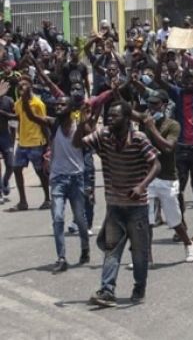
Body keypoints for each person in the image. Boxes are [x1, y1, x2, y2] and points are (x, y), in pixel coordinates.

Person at [83, 101, 160, 307]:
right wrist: (84, 121)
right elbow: (79, 144)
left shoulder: (139, 138)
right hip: (114, 205)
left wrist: (141, 187)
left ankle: (139, 286)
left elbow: (156, 164)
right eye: (109, 115)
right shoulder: (104, 135)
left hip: (137, 207)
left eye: (115, 116)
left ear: (127, 119)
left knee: (139, 251)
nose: (110, 119)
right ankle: (107, 290)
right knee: (111, 249)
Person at [23, 95, 91, 273]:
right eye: (57, 104)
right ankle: (61, 257)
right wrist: (24, 97)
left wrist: (85, 120)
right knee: (58, 218)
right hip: (58, 179)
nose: (58, 106)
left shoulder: (79, 124)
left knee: (81, 219)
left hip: (76, 178)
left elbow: (90, 137)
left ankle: (85, 248)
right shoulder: (53, 124)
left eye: (62, 104)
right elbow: (31, 116)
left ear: (71, 107)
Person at [155, 53, 193, 243]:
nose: (188, 82)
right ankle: (180, 224)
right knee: (177, 189)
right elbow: (158, 79)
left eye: (192, 79)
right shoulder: (177, 93)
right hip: (180, 149)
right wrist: (160, 58)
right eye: (185, 79)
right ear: (181, 81)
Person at [135, 90, 193, 263]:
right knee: (146, 221)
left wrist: (152, 128)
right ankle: (146, 256)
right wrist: (116, 93)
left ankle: (188, 243)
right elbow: (129, 112)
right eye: (150, 104)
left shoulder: (172, 125)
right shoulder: (145, 120)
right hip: (148, 178)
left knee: (174, 220)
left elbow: (168, 147)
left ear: (163, 105)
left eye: (156, 104)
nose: (152, 108)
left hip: (167, 178)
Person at [9, 76, 50, 211]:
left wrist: (48, 145)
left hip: (36, 142)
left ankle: (48, 199)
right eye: (19, 87)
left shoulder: (38, 104)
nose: (21, 89)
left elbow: (44, 124)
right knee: (16, 169)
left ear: (31, 86)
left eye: (24, 86)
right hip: (22, 143)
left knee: (40, 172)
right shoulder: (18, 103)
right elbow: (18, 119)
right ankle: (23, 202)